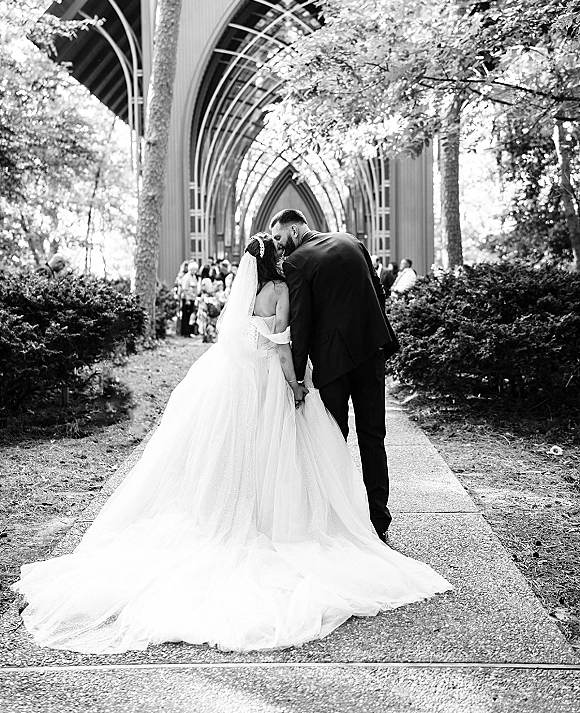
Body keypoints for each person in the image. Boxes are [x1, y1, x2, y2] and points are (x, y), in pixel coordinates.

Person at [13, 233, 451, 654]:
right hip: (285, 378)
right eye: (278, 250)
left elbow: (245, 337)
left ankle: (249, 516)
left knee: (245, 456)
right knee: (306, 452)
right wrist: (297, 386)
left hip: (244, 383)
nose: (284, 254)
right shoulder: (285, 286)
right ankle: (334, 519)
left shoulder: (245, 295)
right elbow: (282, 346)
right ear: (272, 258)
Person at [270, 209, 398, 542]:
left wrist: (297, 378)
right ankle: (379, 518)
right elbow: (378, 292)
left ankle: (343, 517)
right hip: (371, 352)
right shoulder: (352, 241)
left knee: (334, 438)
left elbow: (301, 322)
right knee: (373, 436)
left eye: (280, 239)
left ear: (295, 230)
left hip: (333, 363)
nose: (280, 248)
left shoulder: (297, 262)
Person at [179, 260, 199, 337]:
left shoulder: (194, 277)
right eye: (194, 270)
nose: (195, 271)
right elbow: (184, 289)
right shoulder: (186, 277)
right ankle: (185, 332)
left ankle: (189, 331)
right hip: (187, 299)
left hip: (192, 298)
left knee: (191, 316)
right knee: (186, 316)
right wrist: (187, 299)